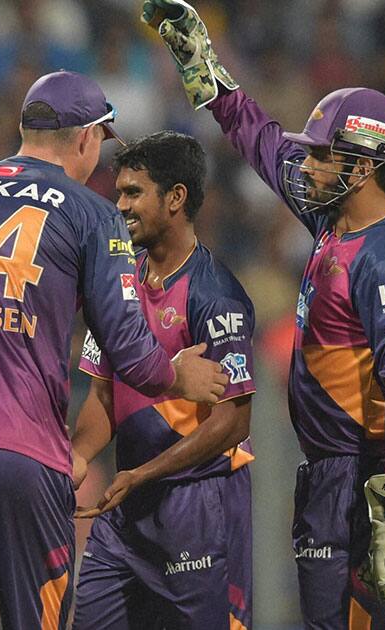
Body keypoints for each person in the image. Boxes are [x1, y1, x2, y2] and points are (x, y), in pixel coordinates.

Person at [0, 70, 229, 629]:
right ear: (88, 138)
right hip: (23, 455)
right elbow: (131, 353)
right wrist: (181, 376)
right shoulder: (92, 213)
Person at [143, 2, 385, 627]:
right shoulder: (333, 220)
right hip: (328, 477)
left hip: (362, 484)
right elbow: (262, 141)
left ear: (362, 166)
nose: (304, 165)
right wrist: (208, 70)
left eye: (321, 156)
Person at [71, 131, 256, 630]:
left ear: (176, 198)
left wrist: (142, 475)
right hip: (127, 510)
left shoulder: (216, 296)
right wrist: (79, 458)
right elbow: (103, 395)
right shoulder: (116, 286)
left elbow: (233, 422)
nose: (121, 205)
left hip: (197, 507)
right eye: (119, 193)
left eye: (134, 193)